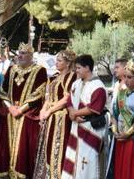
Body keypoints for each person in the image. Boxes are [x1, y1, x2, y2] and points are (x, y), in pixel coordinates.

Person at [0, 42, 48, 178]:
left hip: (26, 115)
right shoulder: (12, 69)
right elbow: (2, 90)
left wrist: (20, 110)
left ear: (30, 55)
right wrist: (10, 107)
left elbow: (38, 93)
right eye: (19, 53)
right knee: (5, 148)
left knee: (24, 148)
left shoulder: (39, 70)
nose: (19, 56)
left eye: (23, 53)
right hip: (10, 114)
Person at [61, 54, 107, 179]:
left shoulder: (98, 86)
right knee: (73, 160)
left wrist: (75, 113)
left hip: (91, 130)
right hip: (76, 128)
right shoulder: (76, 84)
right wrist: (72, 113)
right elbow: (69, 101)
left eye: (79, 68)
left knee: (88, 163)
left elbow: (95, 108)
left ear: (87, 68)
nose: (76, 70)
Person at [35, 49, 77, 179]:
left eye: (59, 60)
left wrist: (49, 111)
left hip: (61, 117)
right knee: (46, 148)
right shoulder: (53, 77)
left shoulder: (72, 77)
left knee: (58, 148)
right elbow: (48, 97)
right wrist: (43, 111)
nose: (56, 63)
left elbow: (66, 99)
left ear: (68, 63)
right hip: (50, 116)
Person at [107, 62, 134, 179]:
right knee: (118, 167)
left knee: (130, 167)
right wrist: (115, 131)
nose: (126, 80)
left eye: (129, 77)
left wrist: (127, 134)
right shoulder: (121, 93)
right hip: (119, 137)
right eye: (125, 76)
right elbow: (115, 114)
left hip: (132, 138)